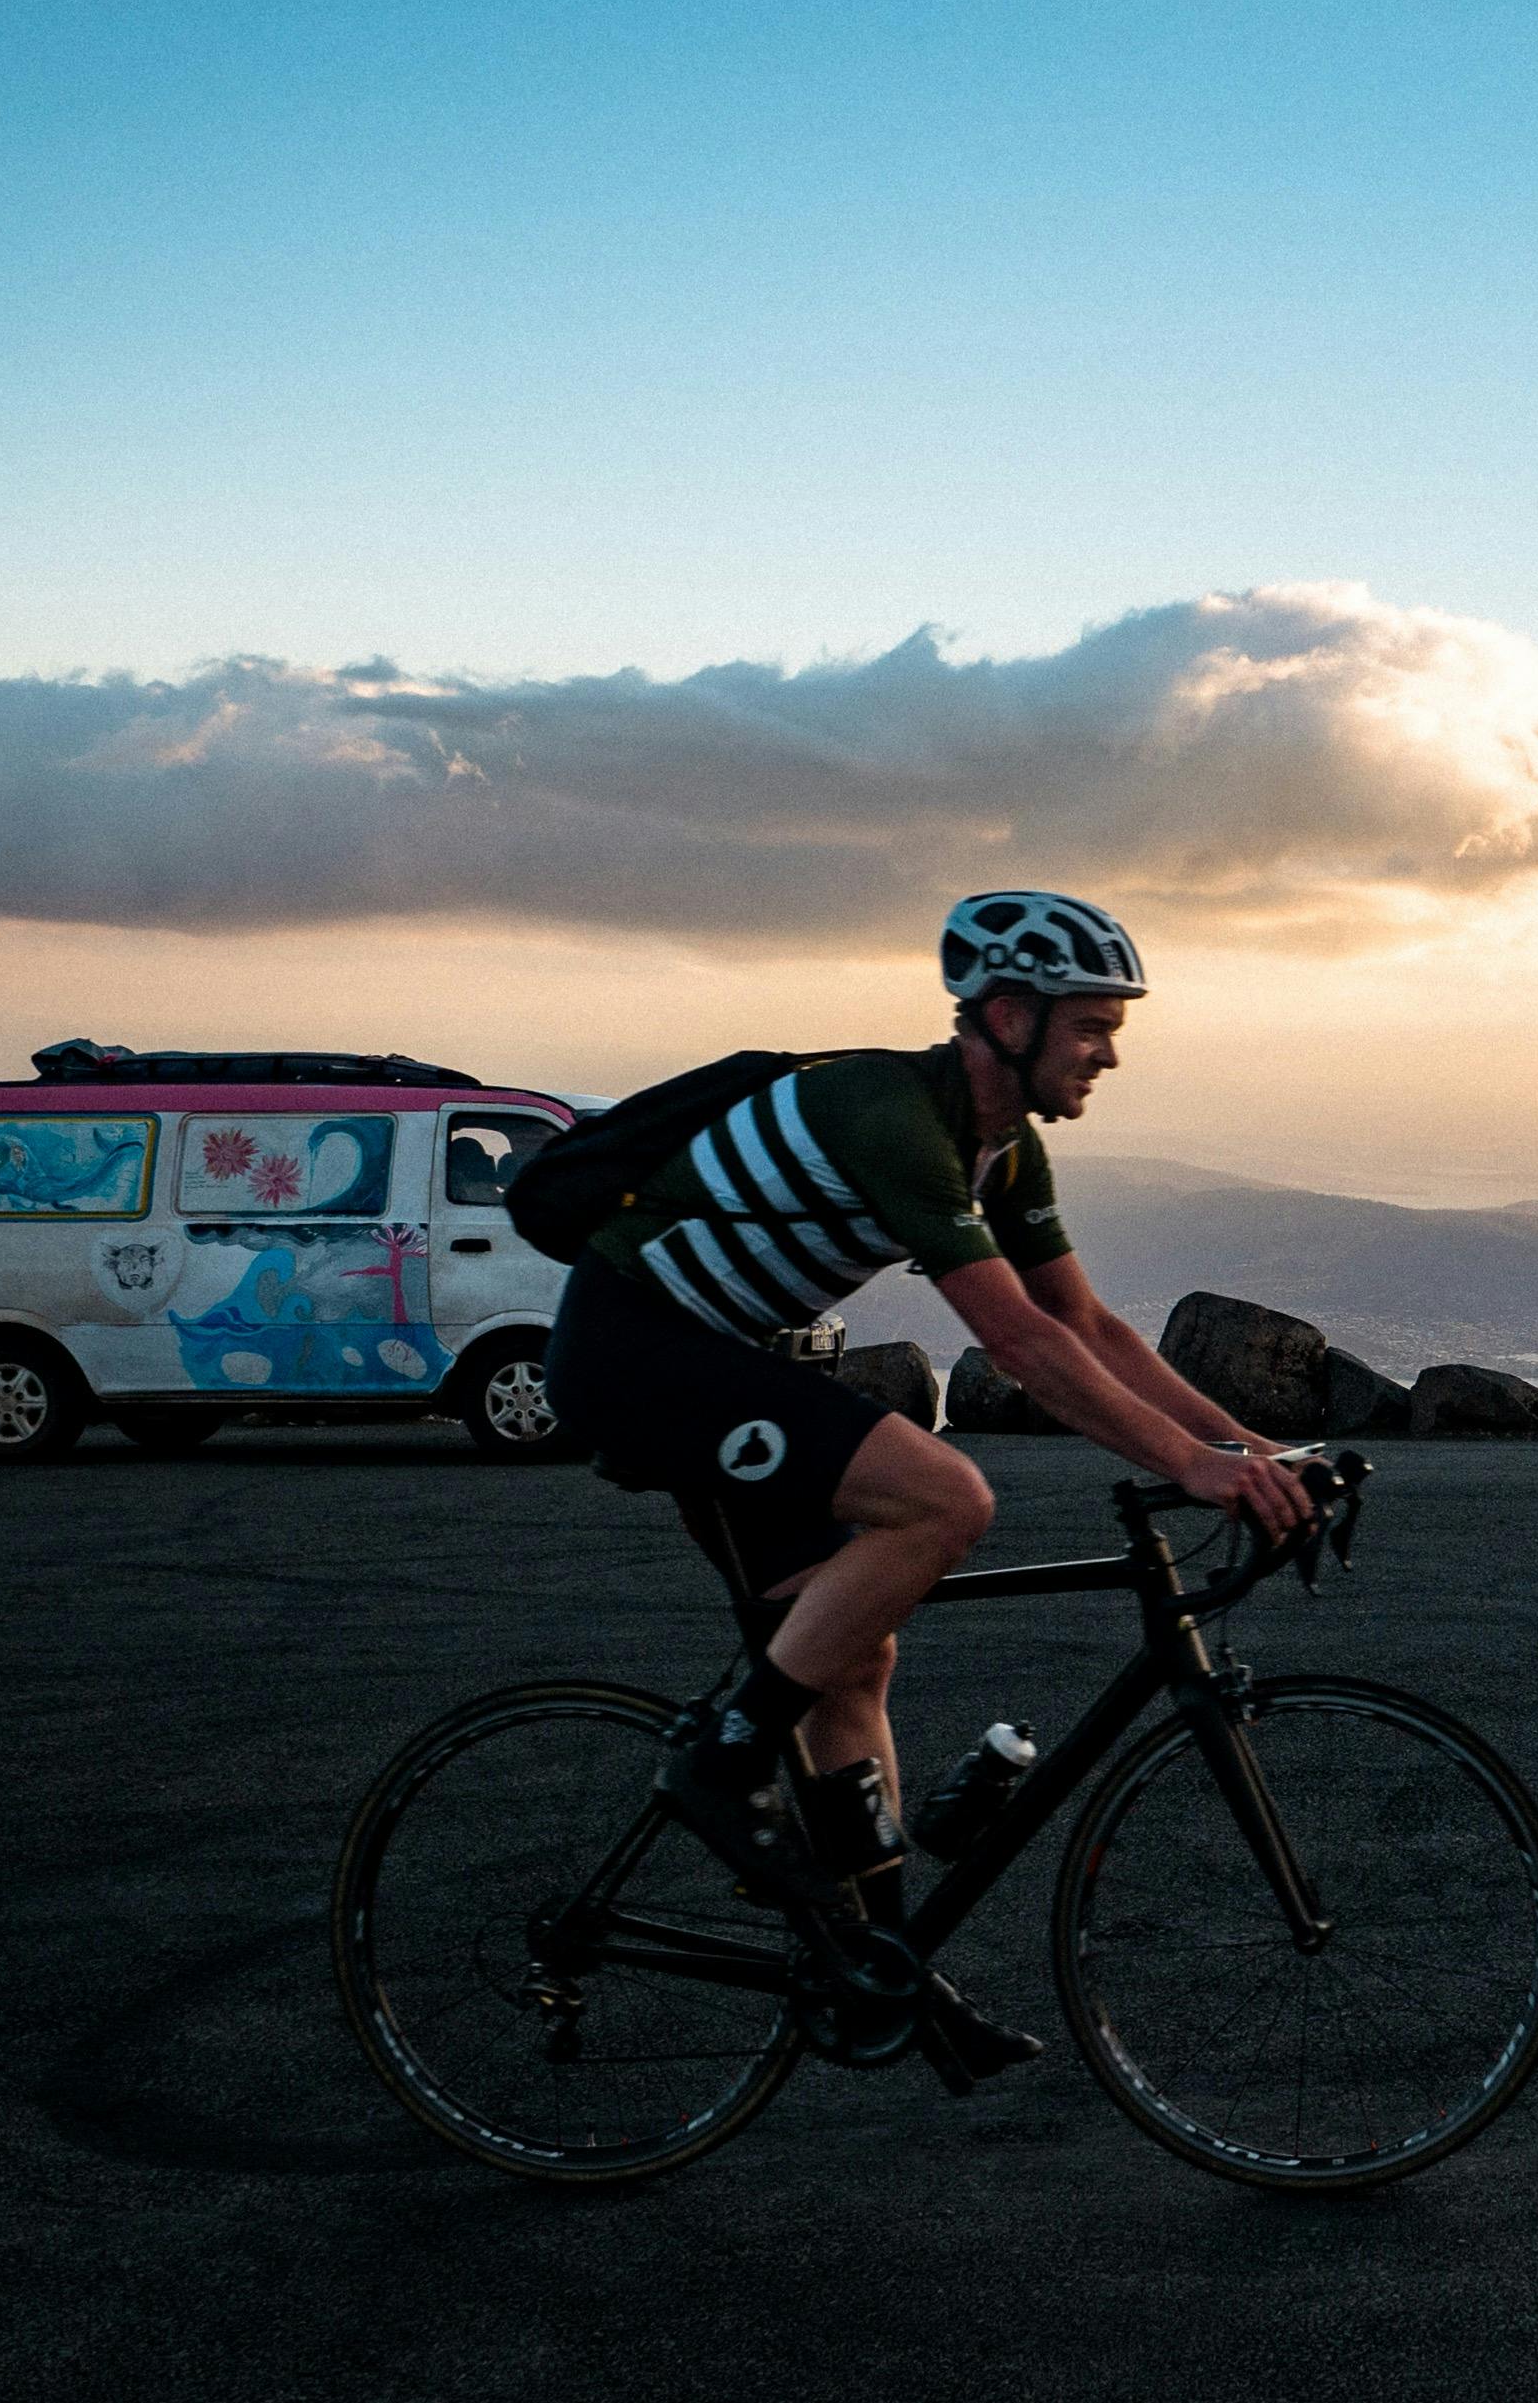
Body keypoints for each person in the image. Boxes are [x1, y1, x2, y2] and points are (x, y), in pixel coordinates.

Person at [542, 888, 1315, 2079]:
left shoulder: (1005, 1143)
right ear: (1007, 1014)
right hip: (636, 1347)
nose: (1109, 1052)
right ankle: (722, 1759)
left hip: (715, 1361)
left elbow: (1088, 1324)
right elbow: (1017, 1343)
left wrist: (1252, 1453)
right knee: (945, 1498)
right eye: (1092, 1027)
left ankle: (881, 1965)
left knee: (855, 1656)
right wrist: (1193, 1472)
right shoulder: (890, 1113)